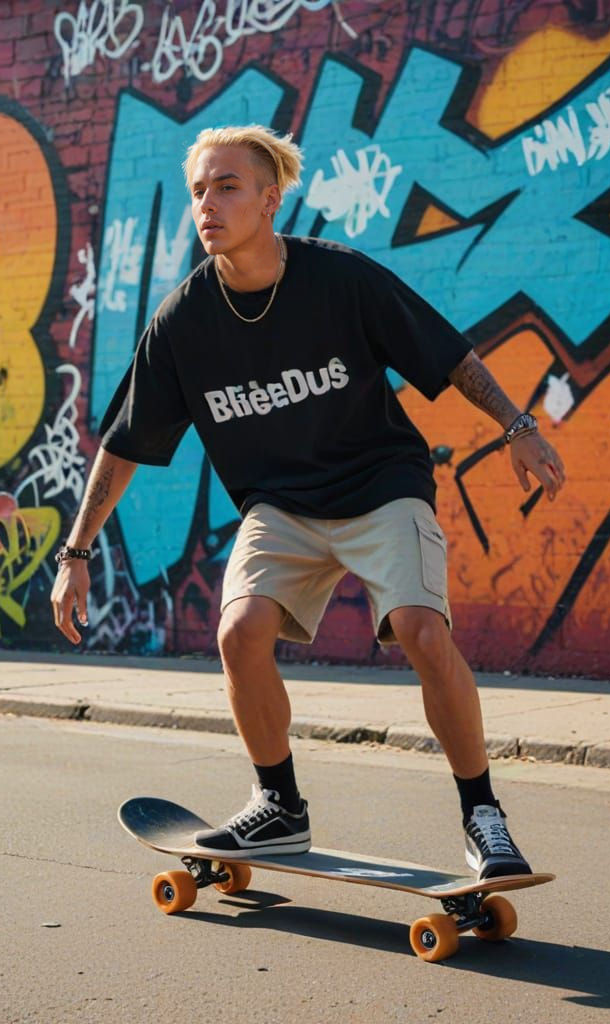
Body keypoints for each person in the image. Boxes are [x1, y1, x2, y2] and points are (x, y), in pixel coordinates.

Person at [51, 125, 566, 880]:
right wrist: (76, 554)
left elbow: (444, 350)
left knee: (423, 631)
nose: (208, 204)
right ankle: (279, 807)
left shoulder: (340, 280)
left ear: (270, 198)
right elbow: (124, 443)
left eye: (227, 186)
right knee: (239, 633)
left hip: (381, 485)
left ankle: (483, 813)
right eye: (198, 190)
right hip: (281, 507)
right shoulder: (183, 322)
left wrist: (517, 426)